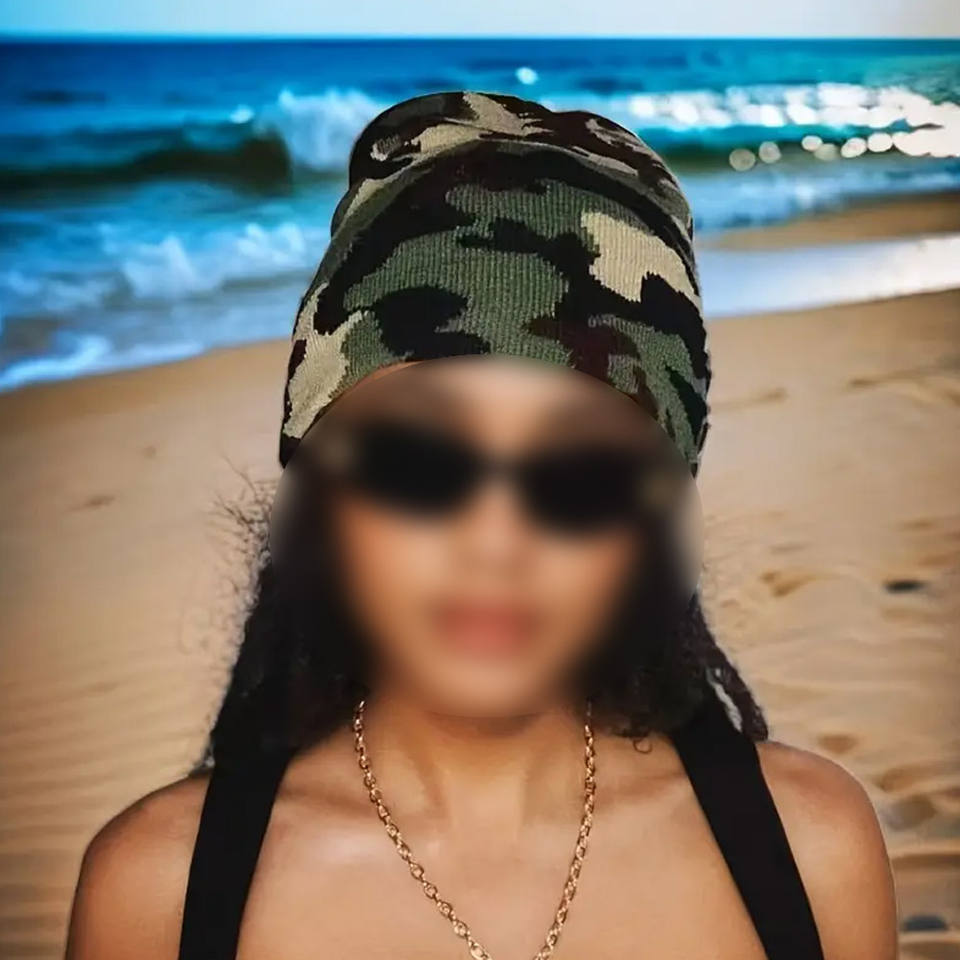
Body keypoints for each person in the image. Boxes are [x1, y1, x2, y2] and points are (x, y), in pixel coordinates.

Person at [64, 91, 898, 960]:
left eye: (581, 476)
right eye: (418, 463)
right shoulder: (158, 894)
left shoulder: (811, 849)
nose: (495, 543)